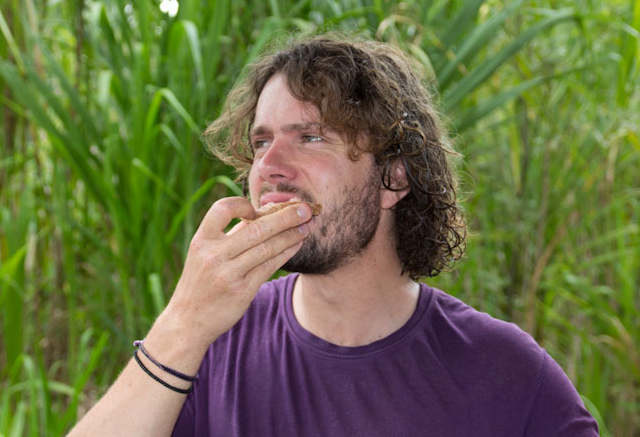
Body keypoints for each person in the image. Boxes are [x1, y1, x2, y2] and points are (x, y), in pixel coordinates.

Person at [68, 34, 599, 436]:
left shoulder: (506, 374)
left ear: (394, 177)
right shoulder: (210, 344)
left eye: (312, 137)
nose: (269, 166)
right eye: (260, 142)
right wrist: (182, 324)